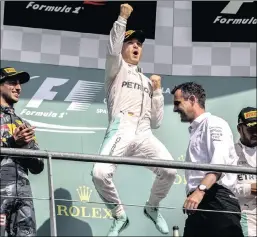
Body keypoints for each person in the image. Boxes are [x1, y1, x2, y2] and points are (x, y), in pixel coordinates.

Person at [91, 3, 177, 236]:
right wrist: (122, 18)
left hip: (144, 134)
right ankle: (119, 214)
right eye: (131, 43)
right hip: (121, 129)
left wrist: (158, 93)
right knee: (99, 173)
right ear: (123, 48)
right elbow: (111, 49)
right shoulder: (116, 69)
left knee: (170, 171)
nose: (136, 46)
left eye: (139, 44)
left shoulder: (149, 82)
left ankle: (152, 207)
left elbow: (157, 121)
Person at [171, 82, 244, 237]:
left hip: (217, 201)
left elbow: (219, 163)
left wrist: (200, 191)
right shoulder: (196, 129)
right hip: (200, 203)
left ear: (192, 99)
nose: (175, 109)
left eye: (178, 103)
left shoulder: (213, 123)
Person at [0, 67, 44, 236]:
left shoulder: (23, 125)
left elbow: (38, 167)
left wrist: (23, 146)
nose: (18, 88)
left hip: (23, 199)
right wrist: (12, 142)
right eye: (12, 82)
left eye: (19, 84)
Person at [234, 107, 257, 237]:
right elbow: (225, 190)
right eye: (251, 129)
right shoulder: (230, 153)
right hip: (245, 214)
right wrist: (250, 189)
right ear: (239, 129)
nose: (255, 133)